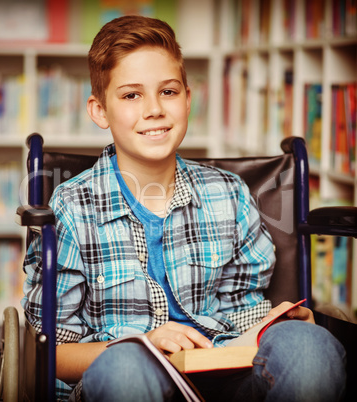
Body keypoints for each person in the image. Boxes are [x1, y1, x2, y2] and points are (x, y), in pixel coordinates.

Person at [22, 15, 346, 402]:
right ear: (99, 111)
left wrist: (275, 326)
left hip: (223, 374)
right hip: (122, 376)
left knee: (307, 344)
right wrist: (145, 345)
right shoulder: (72, 207)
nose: (155, 109)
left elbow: (241, 308)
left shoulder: (228, 193)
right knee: (127, 368)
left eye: (169, 92)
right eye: (131, 95)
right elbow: (51, 352)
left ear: (188, 99)